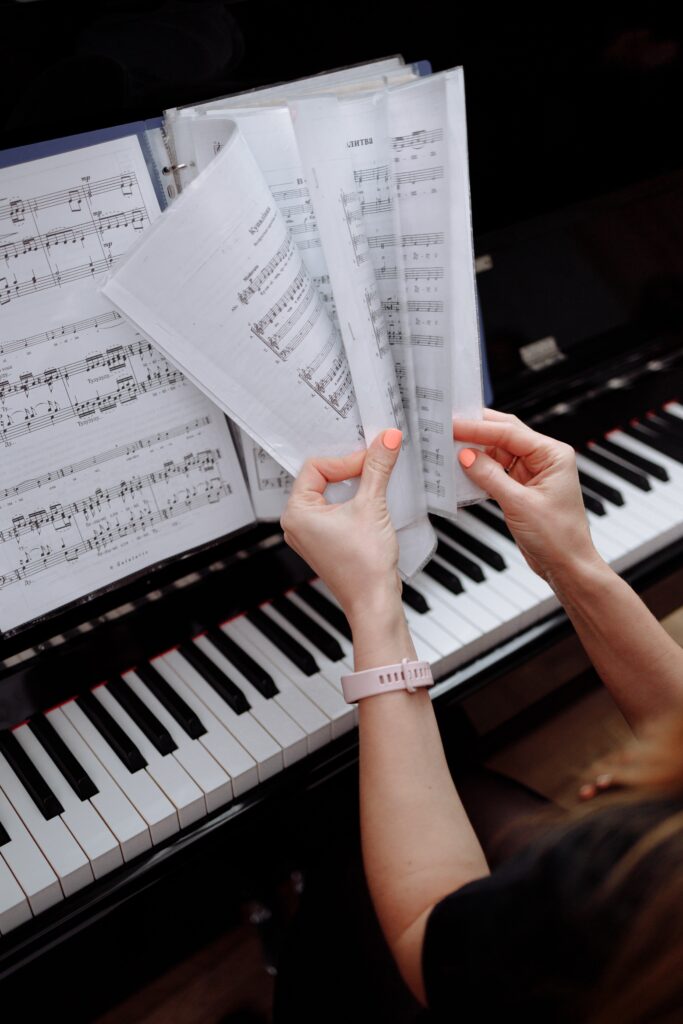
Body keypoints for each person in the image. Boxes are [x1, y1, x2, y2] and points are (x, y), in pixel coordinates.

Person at [274, 409, 683, 1023]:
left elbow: (426, 930)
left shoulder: (640, 898)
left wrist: (373, 601)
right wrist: (573, 560)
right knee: (460, 791)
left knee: (344, 854)